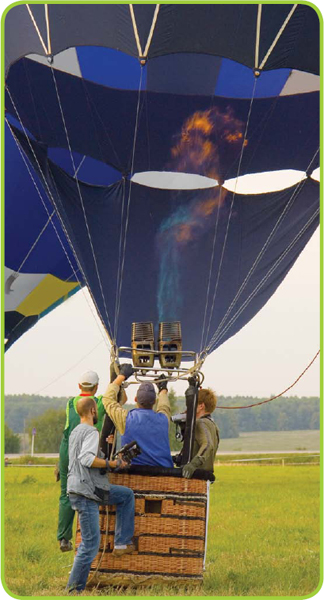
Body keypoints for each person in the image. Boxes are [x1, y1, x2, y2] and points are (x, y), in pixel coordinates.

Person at [66, 396, 135, 593]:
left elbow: (83, 459)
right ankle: (73, 591)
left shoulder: (75, 432)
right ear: (91, 411)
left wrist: (105, 448)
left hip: (85, 488)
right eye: (96, 409)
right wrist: (111, 464)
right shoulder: (91, 431)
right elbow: (87, 459)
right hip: (86, 492)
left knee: (125, 495)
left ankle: (122, 541)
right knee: (90, 545)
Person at [57, 370, 106, 552]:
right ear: (97, 387)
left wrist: (59, 461)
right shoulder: (100, 402)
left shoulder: (70, 402)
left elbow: (65, 430)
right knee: (89, 492)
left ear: (79, 386)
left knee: (65, 494)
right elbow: (119, 398)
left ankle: (63, 537)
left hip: (66, 450)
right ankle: (89, 536)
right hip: (86, 451)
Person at [102, 365, 173, 468]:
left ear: (135, 399)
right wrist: (163, 390)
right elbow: (164, 406)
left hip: (132, 475)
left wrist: (121, 376)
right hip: (163, 475)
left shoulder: (126, 419)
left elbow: (107, 399)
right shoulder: (163, 419)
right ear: (154, 402)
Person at [182, 388, 220, 479]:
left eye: (193, 404)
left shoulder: (201, 423)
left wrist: (192, 465)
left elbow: (208, 445)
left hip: (195, 478)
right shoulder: (213, 426)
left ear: (201, 406)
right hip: (204, 480)